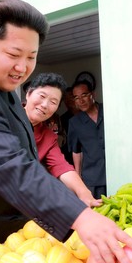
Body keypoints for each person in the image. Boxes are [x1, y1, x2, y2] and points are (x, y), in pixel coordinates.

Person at [0, 0, 132, 263]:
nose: (22, 67)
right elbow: (10, 167)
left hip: (4, 232)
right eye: (14, 55)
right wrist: (80, 217)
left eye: (31, 57)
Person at [24, 72, 101, 208]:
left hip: (25, 203)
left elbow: (61, 166)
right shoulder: (5, 118)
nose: (45, 105)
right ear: (29, 94)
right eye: (42, 96)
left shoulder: (48, 136)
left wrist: (84, 193)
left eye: (53, 102)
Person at [67, 79, 106, 199]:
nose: (81, 101)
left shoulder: (109, 111)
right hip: (92, 178)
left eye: (84, 95)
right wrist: (78, 180)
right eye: (76, 98)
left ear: (93, 95)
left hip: (116, 172)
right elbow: (76, 151)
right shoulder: (74, 122)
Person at [59, 86, 79, 164]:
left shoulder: (87, 116)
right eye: (65, 99)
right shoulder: (63, 119)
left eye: (71, 97)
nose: (68, 101)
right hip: (69, 157)